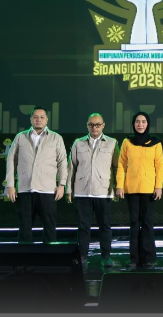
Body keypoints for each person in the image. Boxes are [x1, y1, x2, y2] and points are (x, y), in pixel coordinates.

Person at [5, 106, 67, 243]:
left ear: (47, 120)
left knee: (50, 228)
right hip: (25, 189)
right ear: (31, 119)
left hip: (48, 190)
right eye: (35, 117)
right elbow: (10, 160)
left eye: (42, 117)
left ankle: (50, 256)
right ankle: (24, 256)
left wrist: (62, 185)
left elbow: (62, 162)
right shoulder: (20, 137)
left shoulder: (56, 138)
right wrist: (10, 185)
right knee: (24, 229)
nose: (38, 119)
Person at [67, 113, 120, 267]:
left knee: (105, 226)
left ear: (103, 125)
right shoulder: (78, 143)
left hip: (104, 192)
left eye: (97, 125)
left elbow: (117, 167)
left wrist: (118, 187)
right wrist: (69, 190)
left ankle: (106, 257)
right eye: (91, 125)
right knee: (83, 227)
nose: (94, 128)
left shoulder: (112, 143)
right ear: (87, 126)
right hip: (82, 192)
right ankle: (82, 256)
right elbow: (71, 168)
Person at [116, 112, 163, 269]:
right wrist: (119, 185)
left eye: (143, 121)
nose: (140, 124)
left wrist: (159, 187)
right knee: (134, 223)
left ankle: (148, 257)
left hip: (149, 189)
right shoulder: (127, 142)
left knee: (148, 223)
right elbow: (121, 165)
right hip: (131, 189)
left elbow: (159, 166)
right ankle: (134, 258)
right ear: (133, 124)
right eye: (137, 121)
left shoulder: (156, 142)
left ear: (147, 124)